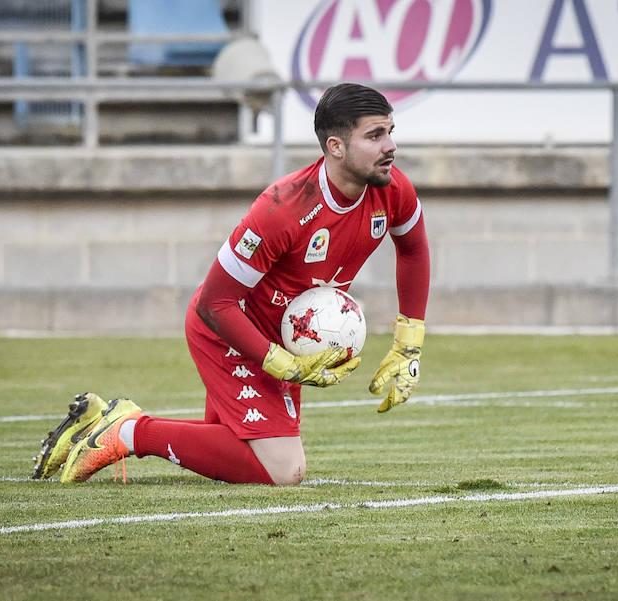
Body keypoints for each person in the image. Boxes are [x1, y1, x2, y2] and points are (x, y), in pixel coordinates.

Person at [32, 83, 431, 486]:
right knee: (283, 470)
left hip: (279, 334)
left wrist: (408, 342)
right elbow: (214, 303)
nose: (390, 146)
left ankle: (105, 423)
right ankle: (126, 431)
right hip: (229, 330)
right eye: (375, 135)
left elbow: (413, 251)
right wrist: (278, 362)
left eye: (390, 132)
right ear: (336, 146)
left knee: (236, 450)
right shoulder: (284, 208)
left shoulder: (393, 189)